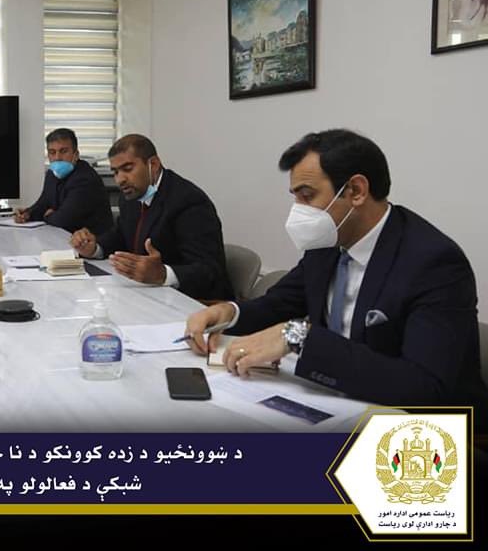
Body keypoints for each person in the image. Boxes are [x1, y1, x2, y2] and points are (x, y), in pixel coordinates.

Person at [185, 129, 487, 419]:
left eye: (307, 196)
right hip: (335, 401)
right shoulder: (328, 243)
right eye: (295, 197)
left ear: (356, 191)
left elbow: (425, 388)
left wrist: (299, 338)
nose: (298, 211)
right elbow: (281, 303)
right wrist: (228, 312)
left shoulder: (433, 262)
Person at [70, 134, 233, 300]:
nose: (120, 180)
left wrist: (163, 274)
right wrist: (94, 248)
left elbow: (209, 271)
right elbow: (120, 236)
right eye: (116, 172)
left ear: (153, 164)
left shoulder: (188, 201)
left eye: (128, 169)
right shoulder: (131, 197)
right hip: (147, 294)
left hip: (197, 302)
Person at [13, 128, 113, 234]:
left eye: (63, 151)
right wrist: (28, 213)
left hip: (93, 241)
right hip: (65, 236)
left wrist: (47, 216)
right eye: (52, 152)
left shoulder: (85, 179)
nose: (57, 157)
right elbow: (43, 203)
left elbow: (63, 220)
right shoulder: (51, 174)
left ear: (76, 154)